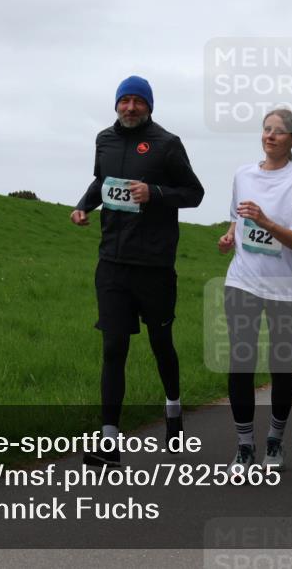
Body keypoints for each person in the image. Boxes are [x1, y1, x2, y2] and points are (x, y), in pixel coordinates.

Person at [71, 76, 204, 467]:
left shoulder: (167, 144)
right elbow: (102, 181)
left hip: (155, 266)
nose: (130, 107)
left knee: (161, 344)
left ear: (149, 106)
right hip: (112, 262)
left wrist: (156, 193)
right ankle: (109, 439)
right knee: (113, 347)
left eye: (137, 102)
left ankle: (174, 409)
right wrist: (84, 206)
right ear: (116, 105)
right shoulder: (104, 140)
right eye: (124, 101)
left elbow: (194, 194)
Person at [217, 109, 292, 471]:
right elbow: (238, 214)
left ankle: (275, 440)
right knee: (240, 362)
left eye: (279, 131)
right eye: (266, 129)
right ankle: (245, 446)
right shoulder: (243, 174)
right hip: (242, 280)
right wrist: (232, 234)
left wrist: (266, 222)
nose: (270, 136)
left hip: (285, 289)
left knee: (280, 364)